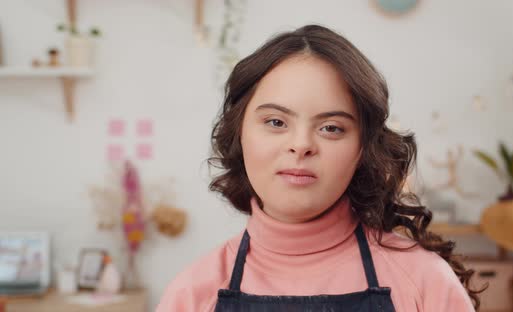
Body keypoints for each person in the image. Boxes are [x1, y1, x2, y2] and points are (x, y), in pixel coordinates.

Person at [157, 24, 480, 311]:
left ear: (363, 148)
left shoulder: (423, 281)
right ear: (239, 135)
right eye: (275, 122)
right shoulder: (191, 295)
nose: (301, 145)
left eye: (331, 128)